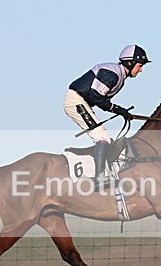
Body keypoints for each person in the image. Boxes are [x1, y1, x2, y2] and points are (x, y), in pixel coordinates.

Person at [63, 44, 151, 181]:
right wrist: (118, 109)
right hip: (76, 101)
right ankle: (99, 178)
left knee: (105, 138)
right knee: (102, 137)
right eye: (140, 66)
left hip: (81, 102)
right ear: (130, 62)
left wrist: (119, 110)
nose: (141, 70)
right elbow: (94, 96)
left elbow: (99, 99)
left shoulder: (120, 78)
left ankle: (100, 173)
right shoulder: (113, 74)